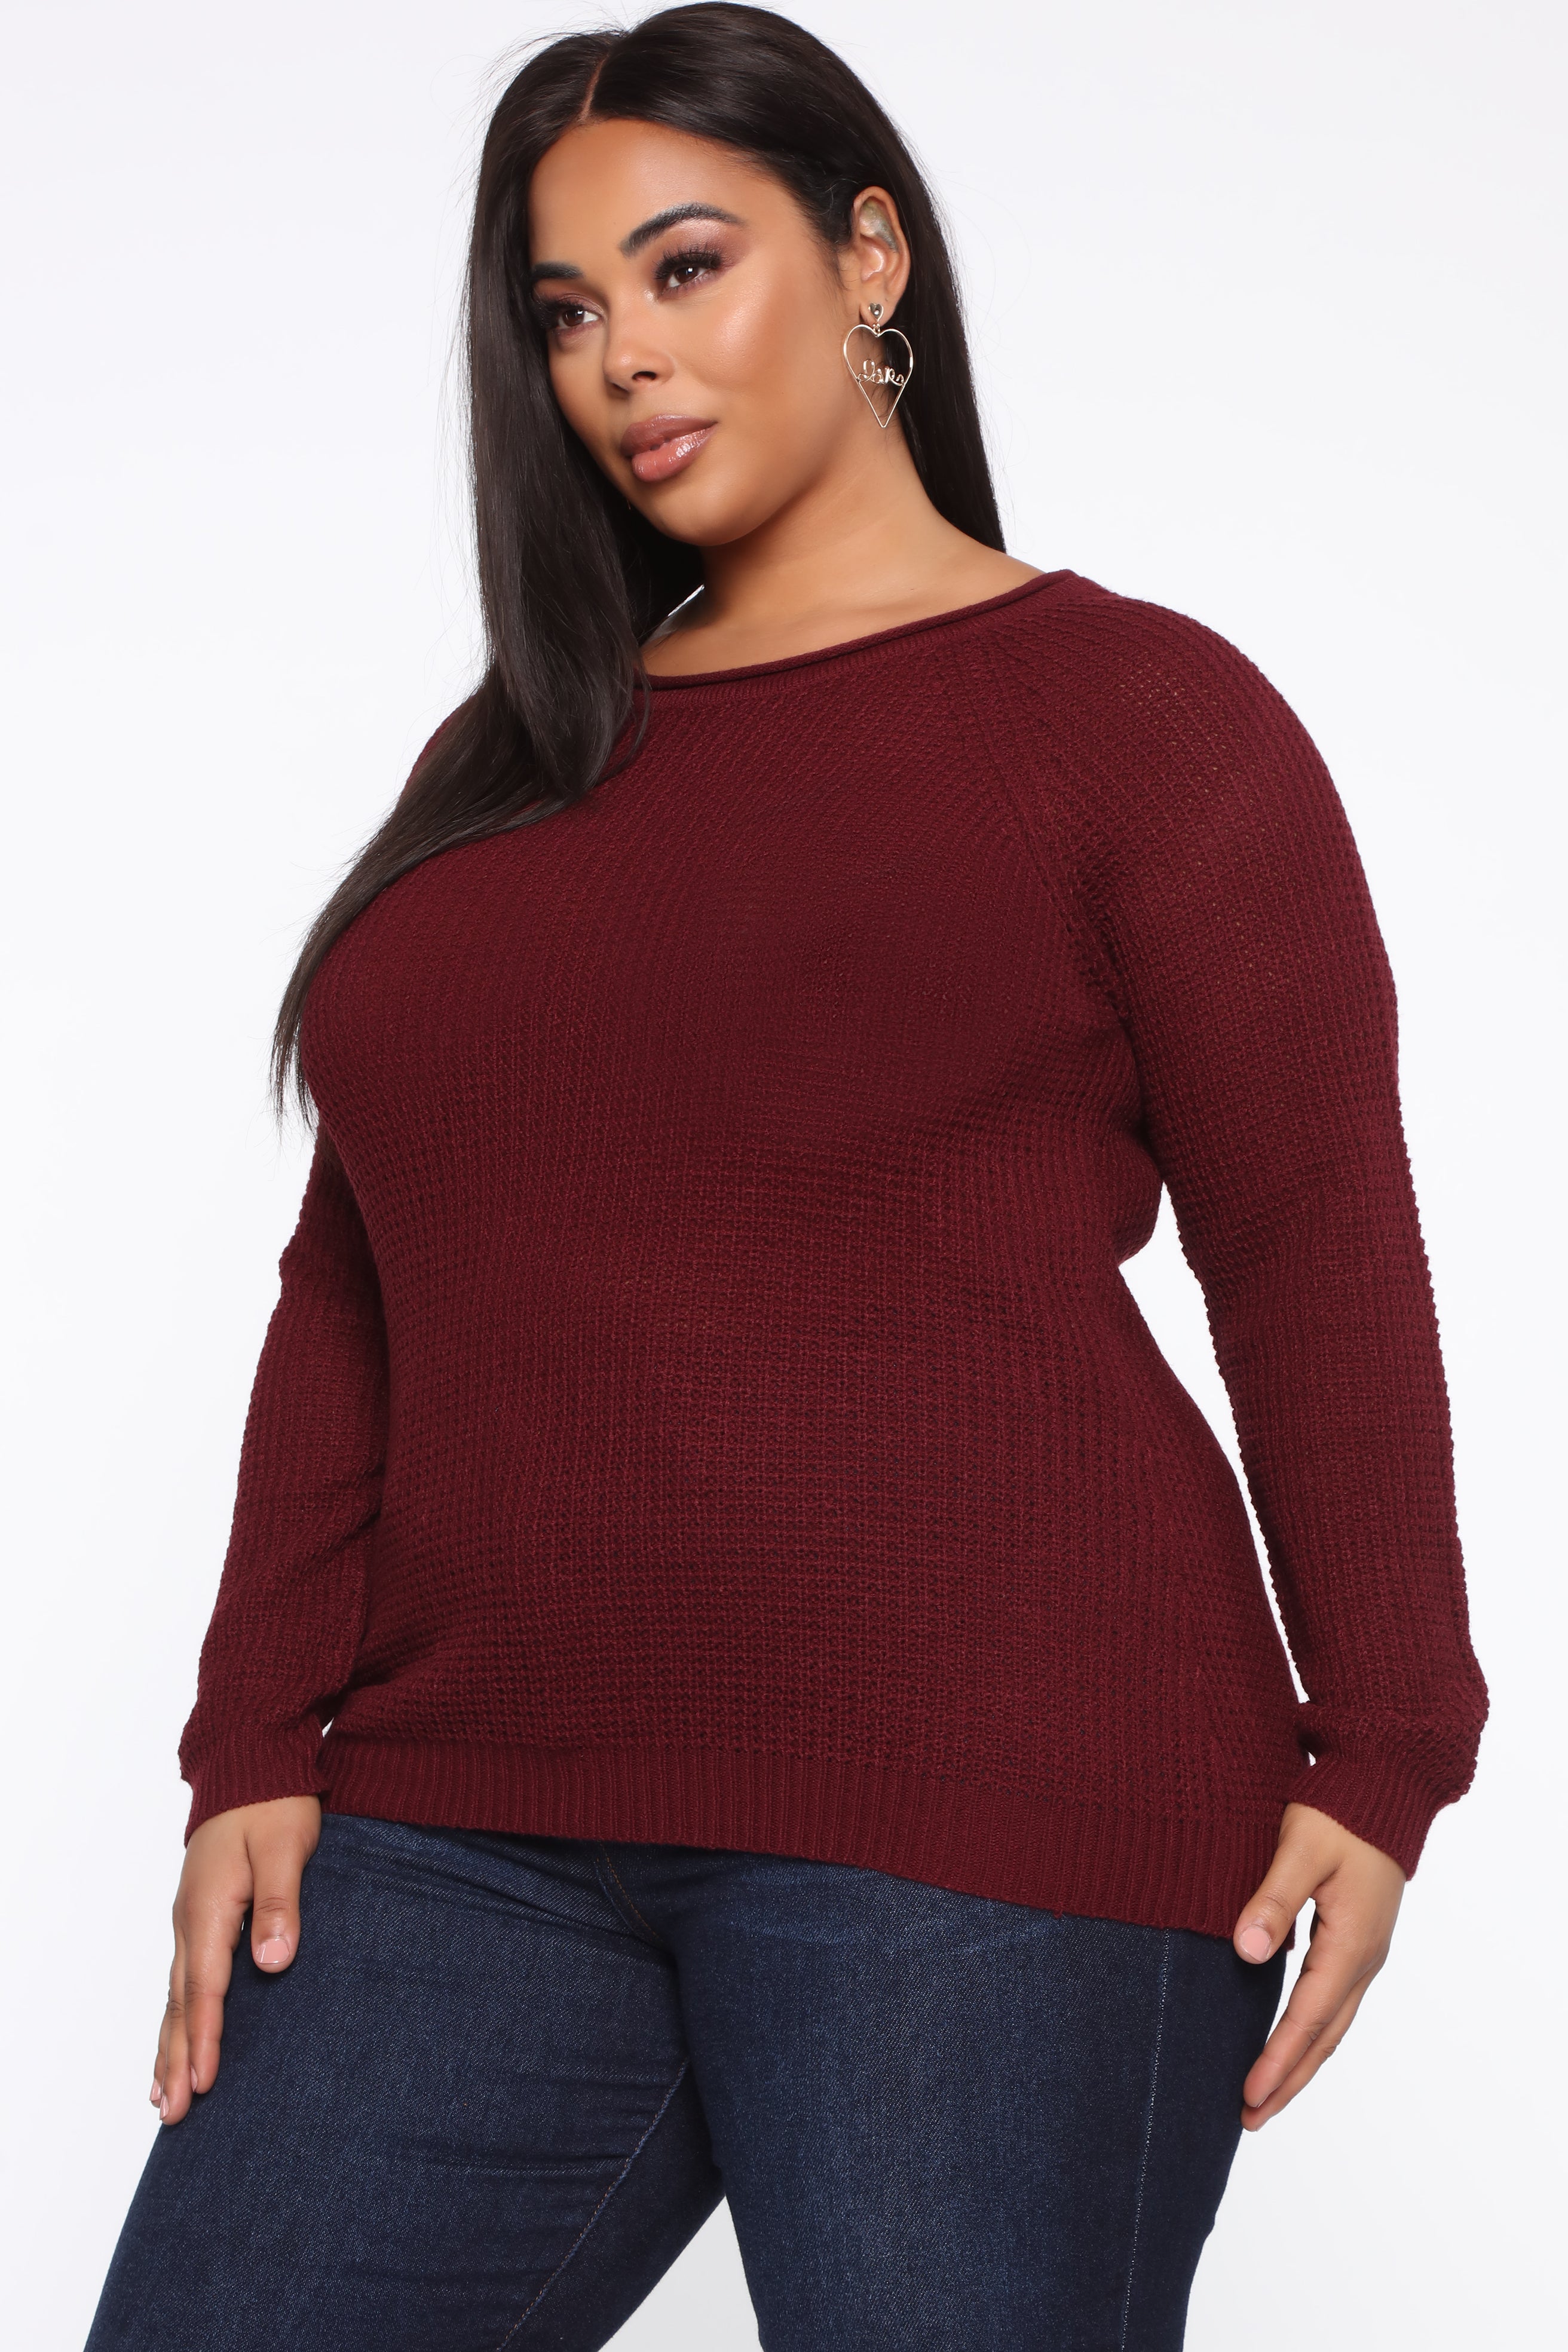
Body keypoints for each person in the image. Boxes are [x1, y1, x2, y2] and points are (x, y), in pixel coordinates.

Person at [84, 7, 1489, 2347]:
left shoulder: (1139, 723)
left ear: (866, 261)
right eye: (564, 313)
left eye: (683, 267)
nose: (621, 359)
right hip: (459, 1817)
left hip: (989, 1807)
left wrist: (1389, 1738)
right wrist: (251, 1735)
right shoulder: (512, 759)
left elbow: (1313, 1244)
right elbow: (363, 1272)